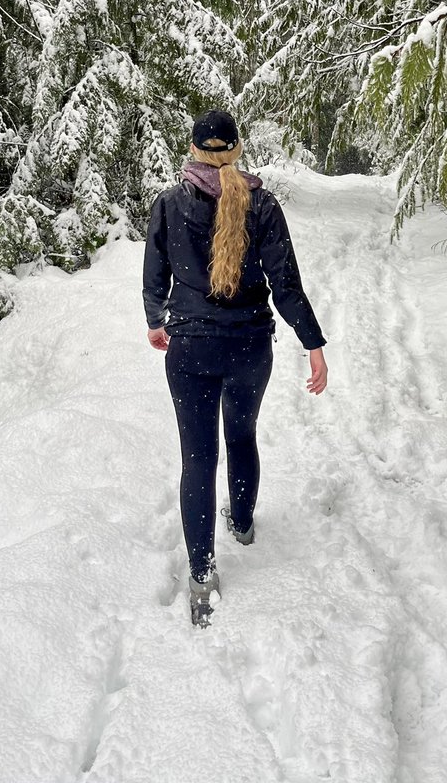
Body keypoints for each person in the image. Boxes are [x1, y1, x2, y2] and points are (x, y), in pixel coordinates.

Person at [143, 109, 328, 627]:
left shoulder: (169, 204)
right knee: (241, 434)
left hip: (191, 350)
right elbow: (286, 284)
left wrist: (155, 322)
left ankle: (201, 576)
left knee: (198, 460)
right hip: (249, 347)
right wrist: (313, 344)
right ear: (237, 150)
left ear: (195, 150)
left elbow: (155, 275)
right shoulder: (262, 205)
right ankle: (242, 525)